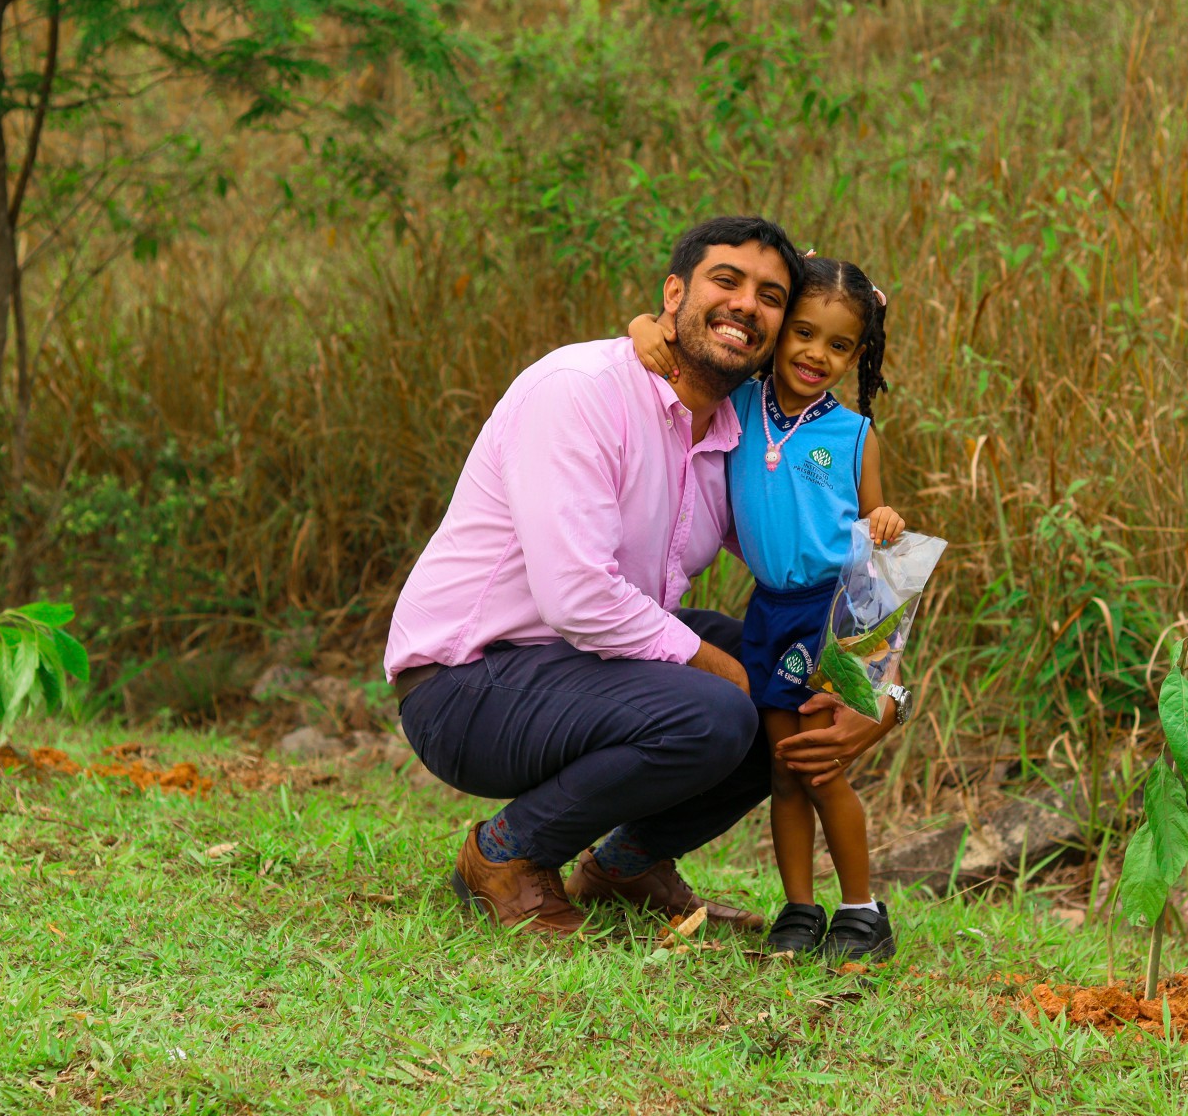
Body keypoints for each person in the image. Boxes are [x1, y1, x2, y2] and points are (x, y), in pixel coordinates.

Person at [386, 217, 903, 939]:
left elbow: (815, 555)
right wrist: (731, 676)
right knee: (729, 702)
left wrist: (871, 683)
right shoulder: (580, 391)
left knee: (779, 675)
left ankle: (627, 865)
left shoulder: (734, 431)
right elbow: (579, 599)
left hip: (579, 665)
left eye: (770, 295)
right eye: (726, 282)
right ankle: (505, 856)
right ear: (673, 293)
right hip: (466, 682)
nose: (746, 306)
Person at [628, 253, 908, 961]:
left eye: (840, 345)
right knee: (784, 768)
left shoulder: (853, 435)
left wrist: (887, 522)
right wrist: (642, 325)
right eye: (804, 333)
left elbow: (879, 538)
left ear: (858, 355)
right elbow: (669, 351)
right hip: (772, 611)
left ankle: (861, 910)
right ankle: (799, 909)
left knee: (823, 767)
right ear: (779, 331)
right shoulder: (740, 405)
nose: (817, 354)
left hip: (838, 612)